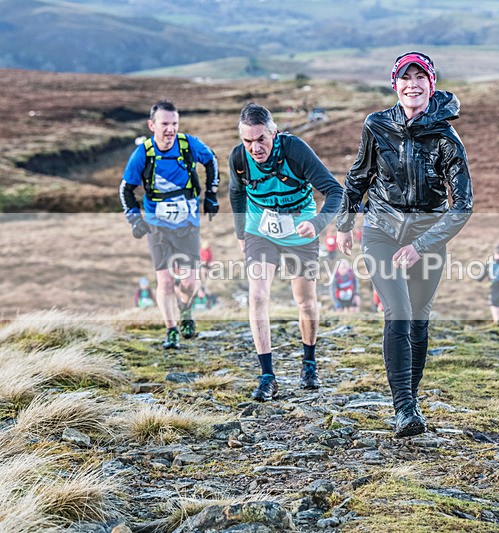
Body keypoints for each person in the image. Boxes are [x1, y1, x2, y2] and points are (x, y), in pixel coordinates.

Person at [336, 52, 473, 437]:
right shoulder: (376, 125)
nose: (412, 84)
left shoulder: (447, 138)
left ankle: (408, 402)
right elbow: (358, 176)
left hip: (425, 240)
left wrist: (422, 245)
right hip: (380, 231)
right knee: (397, 311)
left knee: (417, 319)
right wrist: (345, 223)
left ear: (432, 84)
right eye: (405, 77)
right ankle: (403, 409)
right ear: (395, 84)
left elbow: (462, 207)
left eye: (420, 77)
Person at [229, 102, 343, 401]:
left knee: (305, 302)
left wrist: (317, 223)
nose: (254, 147)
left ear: (274, 133)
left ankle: (309, 363)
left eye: (261, 139)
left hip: (299, 230)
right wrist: (242, 233)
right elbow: (237, 192)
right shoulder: (239, 157)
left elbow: (335, 191)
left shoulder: (295, 150)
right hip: (260, 229)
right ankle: (267, 376)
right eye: (248, 141)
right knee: (257, 295)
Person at [120, 100, 219, 349]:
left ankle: (186, 312)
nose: (171, 129)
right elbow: (126, 189)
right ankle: (171, 330)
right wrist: (134, 218)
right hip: (157, 224)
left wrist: (212, 194)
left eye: (174, 123)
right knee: (164, 281)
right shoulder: (143, 153)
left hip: (188, 223)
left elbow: (212, 161)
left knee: (187, 282)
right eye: (165, 124)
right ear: (152, 125)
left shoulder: (188, 145)